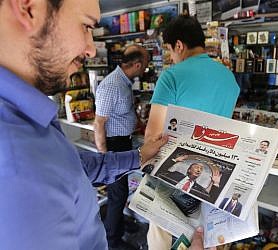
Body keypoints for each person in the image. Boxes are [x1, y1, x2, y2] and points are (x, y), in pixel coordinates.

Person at [0, 1, 169, 249]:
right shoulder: (16, 166)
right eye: (86, 26)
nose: (90, 50)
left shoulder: (27, 121)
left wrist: (140, 156)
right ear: (29, 7)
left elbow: (71, 167)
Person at [144, 15, 240, 250]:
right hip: (214, 180)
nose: (172, 57)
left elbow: (152, 136)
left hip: (172, 177)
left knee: (163, 239)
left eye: (169, 50)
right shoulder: (229, 77)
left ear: (179, 45)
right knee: (204, 239)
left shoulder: (172, 76)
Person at [93, 45, 149, 249]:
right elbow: (99, 123)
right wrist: (105, 159)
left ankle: (118, 226)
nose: (146, 69)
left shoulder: (123, 83)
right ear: (137, 65)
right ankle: (112, 241)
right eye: (145, 65)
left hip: (123, 142)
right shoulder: (111, 85)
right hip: (114, 146)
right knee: (117, 195)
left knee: (121, 192)